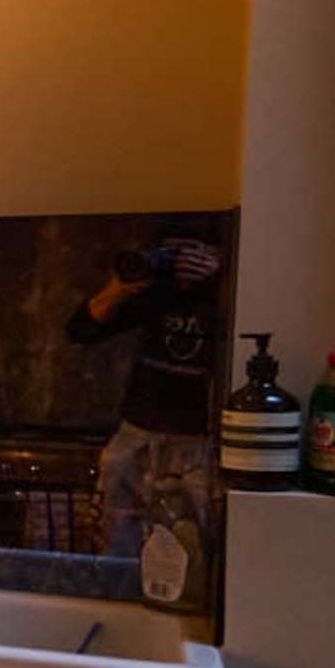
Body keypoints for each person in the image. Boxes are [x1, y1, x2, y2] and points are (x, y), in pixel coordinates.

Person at [66, 229, 223, 557]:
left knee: (193, 554)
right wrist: (120, 288)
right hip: (137, 435)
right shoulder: (156, 296)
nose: (181, 262)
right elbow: (80, 330)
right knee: (115, 549)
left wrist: (221, 278)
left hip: (198, 442)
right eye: (172, 253)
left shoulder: (226, 297)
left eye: (192, 252)